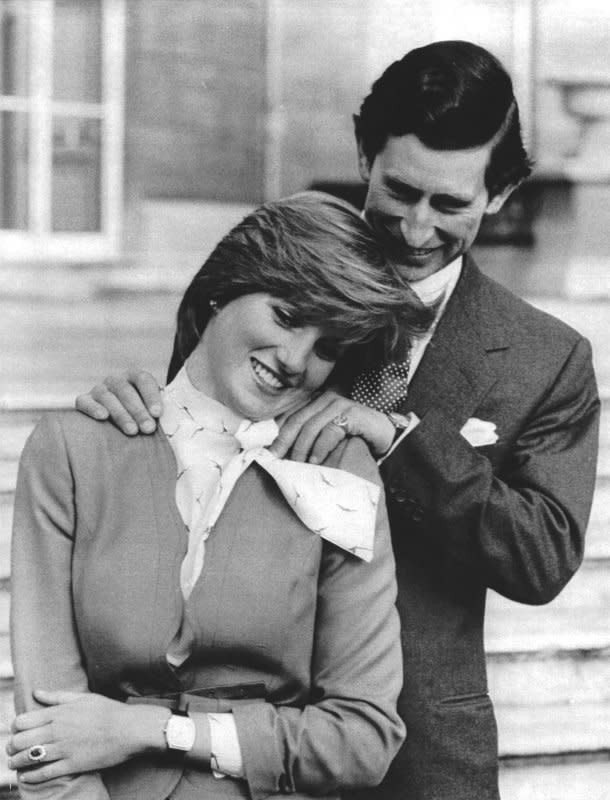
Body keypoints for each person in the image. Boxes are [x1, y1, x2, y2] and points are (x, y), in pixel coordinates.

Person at [72, 41, 600, 800]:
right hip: (237, 748)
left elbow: (541, 558)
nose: (417, 230)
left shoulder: (547, 359)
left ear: (503, 190)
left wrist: (400, 440)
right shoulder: (268, 273)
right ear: (364, 152)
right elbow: (186, 466)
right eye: (400, 191)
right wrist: (126, 417)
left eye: (450, 205)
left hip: (424, 757)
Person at [8, 192, 433, 800]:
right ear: (222, 291)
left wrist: (152, 730)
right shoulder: (72, 451)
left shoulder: (341, 471)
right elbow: (47, 733)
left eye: (328, 348)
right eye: (287, 317)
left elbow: (361, 739)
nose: (295, 361)